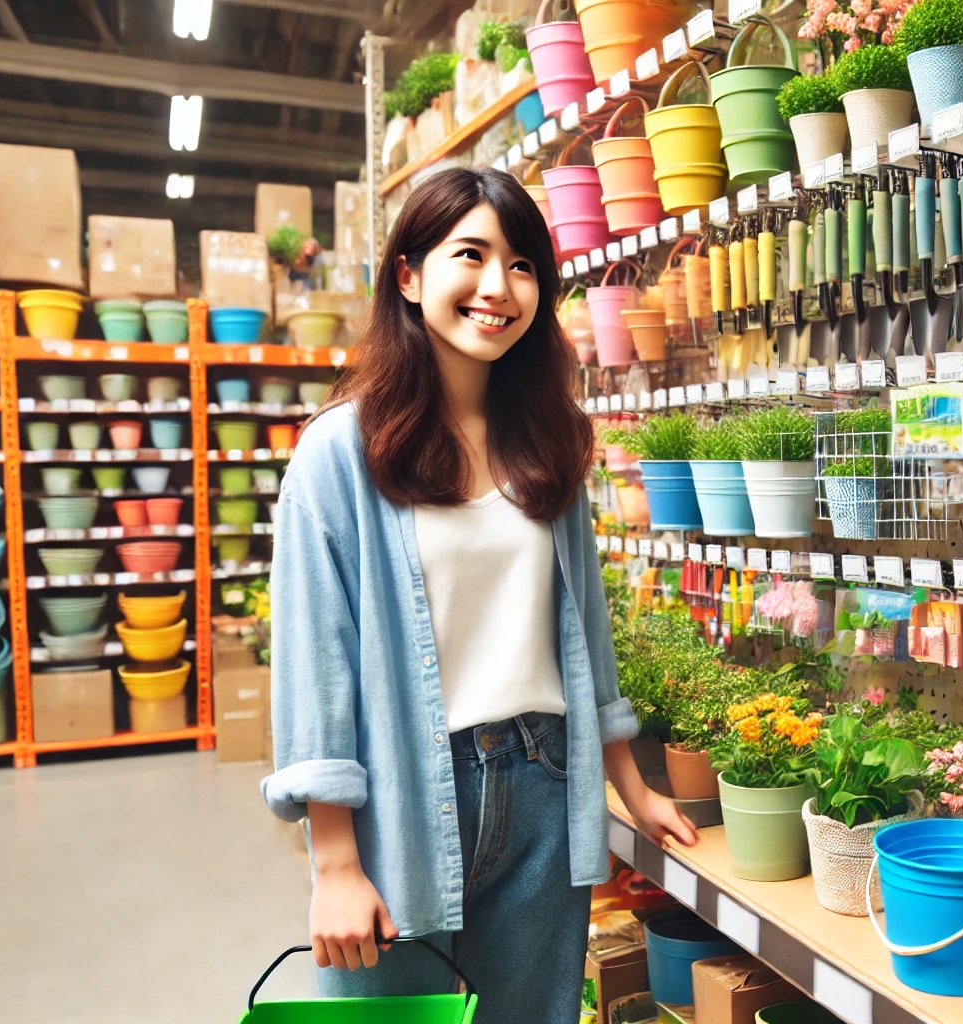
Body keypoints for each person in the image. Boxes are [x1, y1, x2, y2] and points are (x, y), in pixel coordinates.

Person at [261, 167, 697, 1024]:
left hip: (543, 786)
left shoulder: (549, 442)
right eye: (472, 254)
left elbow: (583, 630)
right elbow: (316, 661)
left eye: (524, 263)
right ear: (410, 276)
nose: (499, 287)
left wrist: (628, 783)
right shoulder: (337, 455)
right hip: (399, 798)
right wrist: (335, 863)